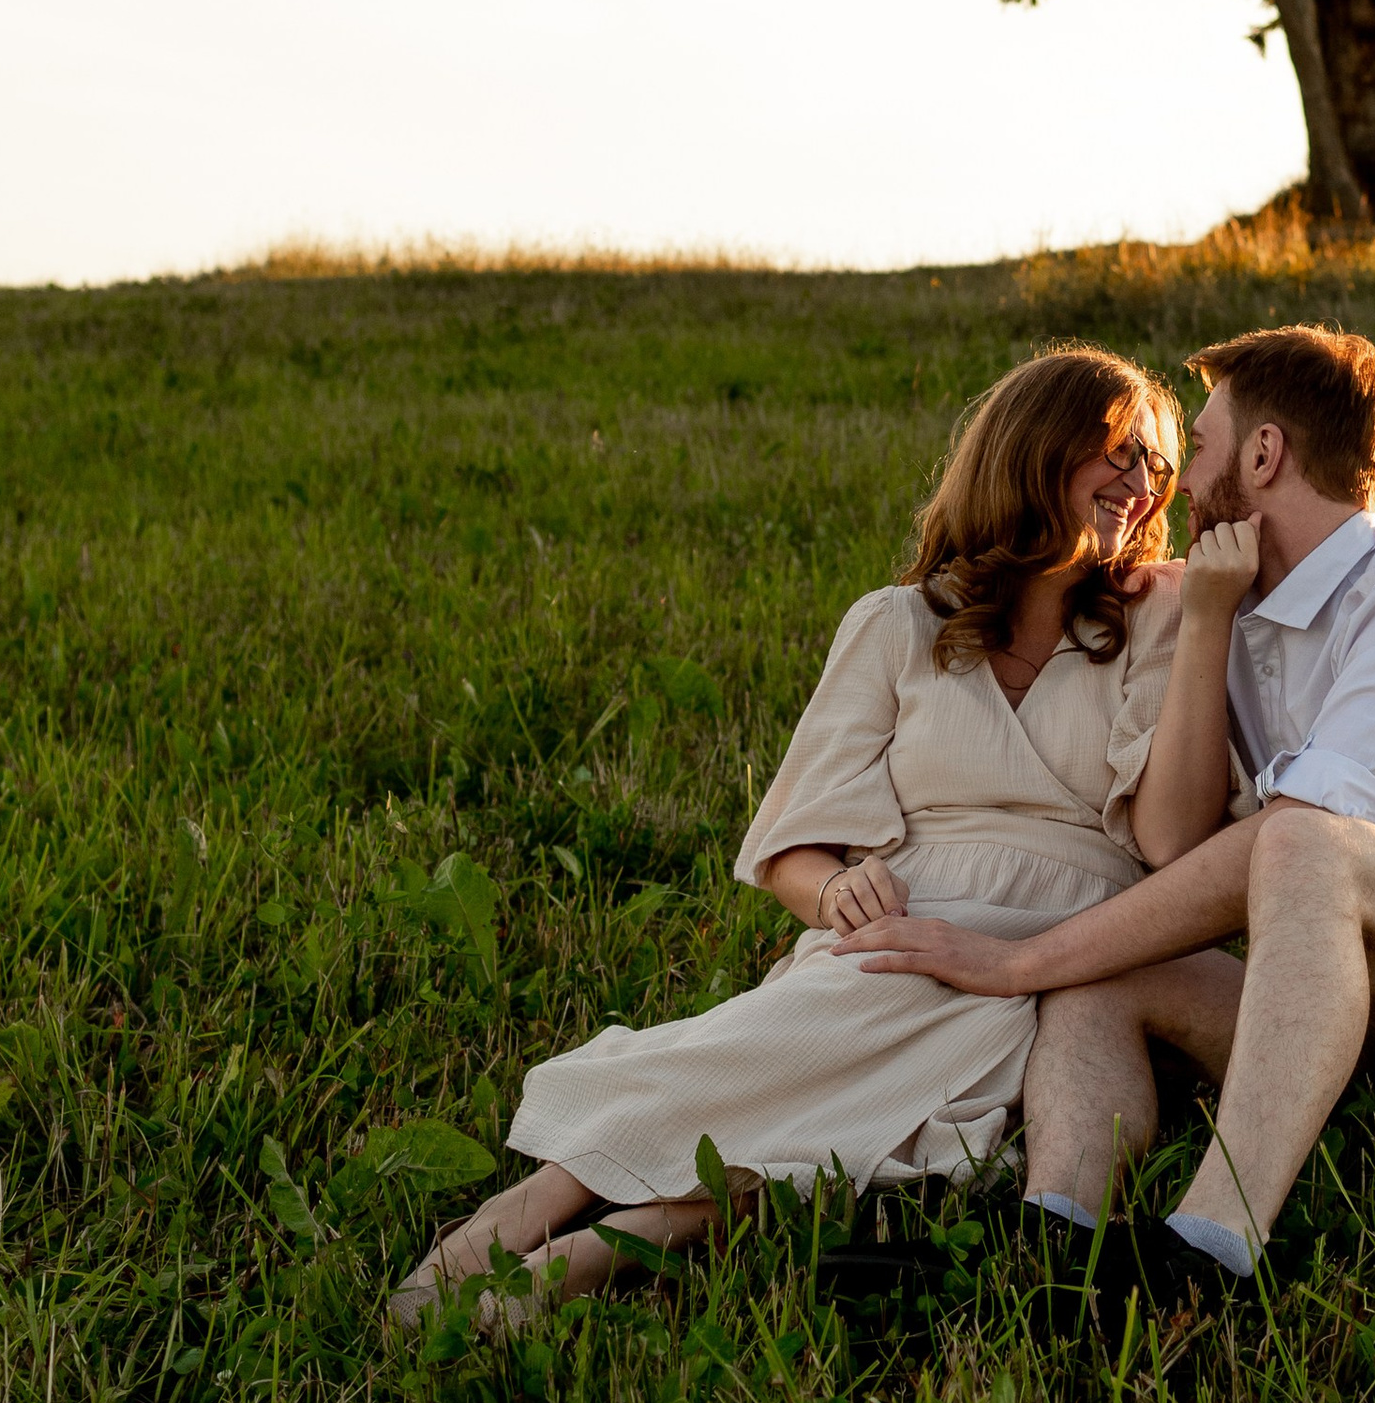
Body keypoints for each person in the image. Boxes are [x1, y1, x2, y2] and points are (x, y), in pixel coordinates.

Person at [390, 342, 1252, 1325]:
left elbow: (1175, 845)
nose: (1142, 488)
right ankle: (534, 1208)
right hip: (900, 919)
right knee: (791, 1044)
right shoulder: (897, 624)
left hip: (1062, 944)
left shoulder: (1161, 618)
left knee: (865, 1092)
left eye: (1157, 467)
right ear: (1034, 449)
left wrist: (1212, 622)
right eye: (1120, 454)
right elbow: (796, 845)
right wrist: (833, 891)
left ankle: (583, 1254)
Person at [852, 320, 1375, 1299]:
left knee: (1306, 837)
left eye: (1200, 448)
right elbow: (1178, 852)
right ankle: (1051, 1241)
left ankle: (1205, 1254)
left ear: (1264, 455)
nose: (1170, 487)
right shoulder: (1228, 612)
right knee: (1110, 977)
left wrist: (1019, 961)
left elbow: (1306, 841)